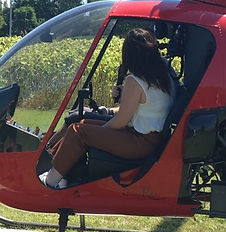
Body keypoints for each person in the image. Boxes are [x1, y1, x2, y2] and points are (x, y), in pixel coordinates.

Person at [40, 28, 172, 189]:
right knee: (82, 122)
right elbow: (140, 109)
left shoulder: (134, 80)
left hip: (140, 141)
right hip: (149, 139)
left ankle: (50, 182)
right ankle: (63, 173)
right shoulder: (160, 77)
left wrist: (99, 134)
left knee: (78, 131)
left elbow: (122, 121)